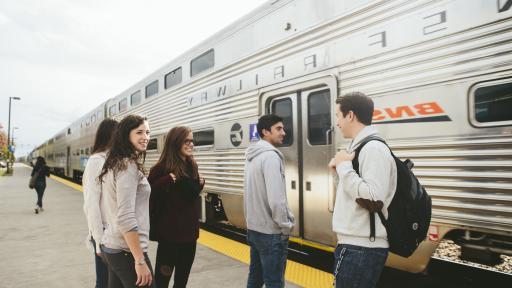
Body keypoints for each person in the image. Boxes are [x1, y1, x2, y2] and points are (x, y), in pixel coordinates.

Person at [329, 92, 397, 288]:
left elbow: (374, 198)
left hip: (361, 249)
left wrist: (344, 167)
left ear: (350, 115)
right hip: (356, 246)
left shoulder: (373, 148)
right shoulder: (359, 147)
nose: (337, 122)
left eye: (338, 116)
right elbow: (353, 195)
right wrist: (338, 171)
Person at [98, 115, 154, 288]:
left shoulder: (115, 163)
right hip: (126, 251)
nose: (145, 137)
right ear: (126, 135)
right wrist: (139, 260)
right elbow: (125, 217)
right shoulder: (127, 166)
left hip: (113, 246)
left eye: (147, 132)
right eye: (139, 132)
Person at [147, 126, 205, 288]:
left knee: (181, 282)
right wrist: (166, 180)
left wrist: (200, 184)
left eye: (192, 141)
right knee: (162, 282)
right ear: (175, 143)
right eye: (186, 141)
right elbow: (148, 194)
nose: (191, 144)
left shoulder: (192, 166)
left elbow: (188, 197)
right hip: (169, 239)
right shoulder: (161, 168)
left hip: (189, 237)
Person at [244, 114, 295, 288]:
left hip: (254, 229)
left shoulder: (252, 155)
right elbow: (276, 199)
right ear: (266, 132)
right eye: (278, 129)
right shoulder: (272, 157)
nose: (283, 132)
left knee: (255, 278)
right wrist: (285, 225)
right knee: (274, 282)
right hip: (271, 232)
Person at [83, 118, 119, 288]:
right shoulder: (97, 161)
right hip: (104, 232)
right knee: (104, 283)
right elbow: (92, 203)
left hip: (116, 231)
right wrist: (98, 241)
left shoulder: (114, 159)